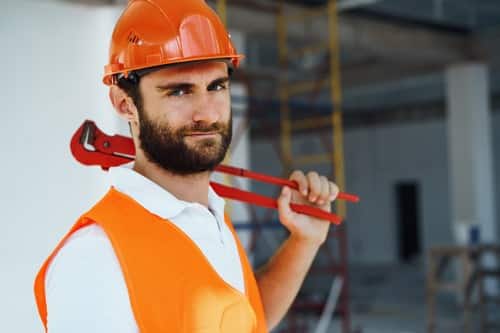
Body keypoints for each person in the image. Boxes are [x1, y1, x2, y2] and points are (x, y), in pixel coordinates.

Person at [34, 1, 340, 332]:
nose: (207, 113)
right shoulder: (95, 259)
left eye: (216, 86)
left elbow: (247, 320)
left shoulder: (210, 216)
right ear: (125, 103)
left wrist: (302, 242)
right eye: (179, 91)